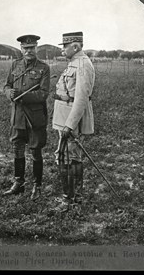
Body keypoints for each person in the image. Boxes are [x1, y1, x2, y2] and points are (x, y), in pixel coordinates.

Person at [3, 35, 51, 199]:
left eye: (32, 48)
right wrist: (10, 93)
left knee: (36, 152)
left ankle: (37, 186)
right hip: (17, 117)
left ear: (36, 48)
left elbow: (43, 94)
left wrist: (23, 96)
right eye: (26, 48)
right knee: (17, 149)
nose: (29, 51)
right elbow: (7, 85)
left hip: (34, 118)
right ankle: (19, 183)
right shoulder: (15, 65)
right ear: (21, 49)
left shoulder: (44, 68)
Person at [52, 32, 95, 210]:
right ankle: (75, 197)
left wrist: (69, 125)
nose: (62, 50)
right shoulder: (74, 63)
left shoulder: (83, 64)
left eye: (65, 46)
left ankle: (69, 199)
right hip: (65, 116)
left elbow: (81, 99)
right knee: (70, 157)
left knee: (68, 158)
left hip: (70, 119)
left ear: (75, 47)